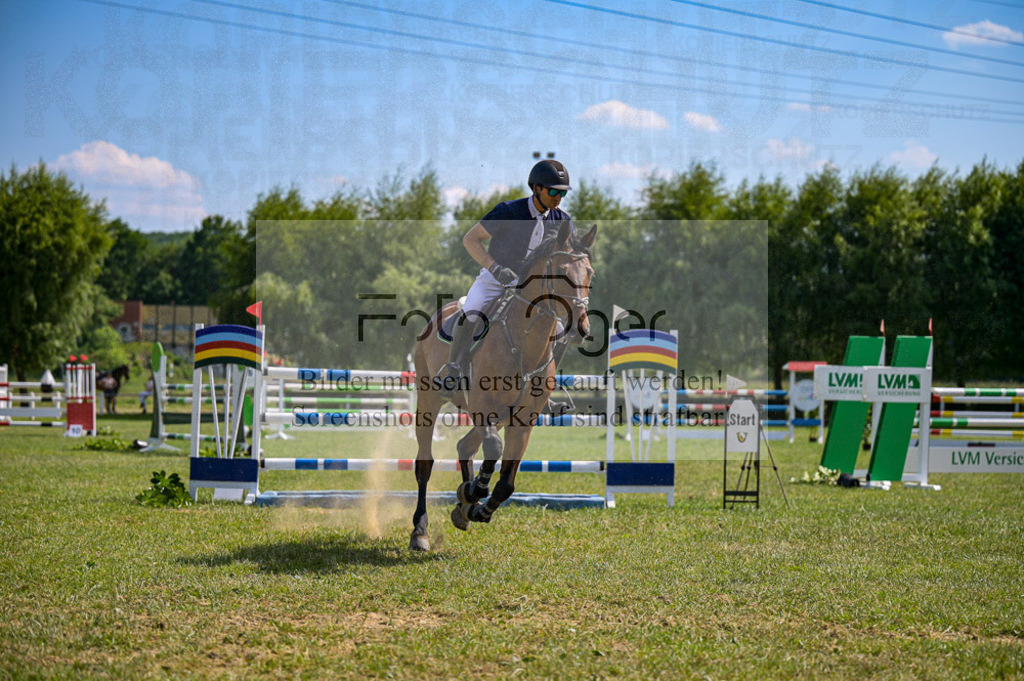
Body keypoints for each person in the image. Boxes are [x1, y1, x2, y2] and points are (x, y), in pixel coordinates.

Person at [437, 160, 576, 397]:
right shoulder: (509, 211)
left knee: (561, 333)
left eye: (562, 193)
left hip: (532, 290)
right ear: (536, 188)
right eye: (553, 192)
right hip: (495, 280)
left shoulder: (563, 221)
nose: (558, 198)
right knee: (472, 310)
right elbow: (471, 239)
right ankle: (454, 371)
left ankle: (544, 386)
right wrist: (495, 267)